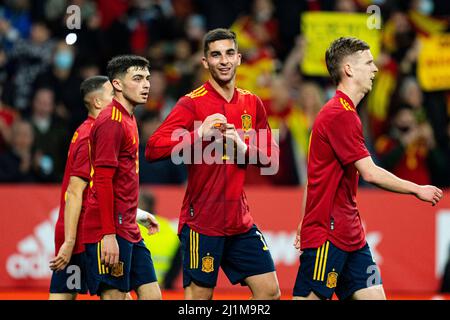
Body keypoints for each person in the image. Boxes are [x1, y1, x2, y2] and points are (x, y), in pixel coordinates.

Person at [292, 37, 444, 300]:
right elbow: (370, 172)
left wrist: (305, 218)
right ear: (349, 69)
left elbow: (313, 177)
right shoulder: (339, 114)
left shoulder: (345, 112)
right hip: (328, 235)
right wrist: (417, 189)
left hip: (352, 235)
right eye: (369, 63)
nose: (375, 69)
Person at [146, 28, 281, 300]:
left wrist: (243, 147)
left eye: (230, 53)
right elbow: (152, 149)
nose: (224, 60)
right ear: (205, 62)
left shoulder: (252, 103)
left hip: (240, 222)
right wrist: (199, 135)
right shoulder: (191, 103)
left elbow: (272, 158)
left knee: (270, 293)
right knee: (199, 299)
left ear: (239, 58)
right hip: (202, 223)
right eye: (216, 55)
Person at [82, 55, 162, 300]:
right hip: (108, 230)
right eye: (137, 79)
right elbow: (103, 181)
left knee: (153, 297)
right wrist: (108, 235)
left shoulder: (129, 116)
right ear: (117, 84)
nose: (146, 84)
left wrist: (136, 213)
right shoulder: (112, 122)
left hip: (127, 226)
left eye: (147, 78)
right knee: (115, 297)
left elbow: (119, 180)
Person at [48, 75, 114, 299]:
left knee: (64, 294)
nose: (117, 101)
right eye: (113, 95)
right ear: (98, 102)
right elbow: (75, 191)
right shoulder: (91, 136)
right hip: (83, 234)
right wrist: (70, 241)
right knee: (117, 294)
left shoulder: (85, 130)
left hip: (75, 230)